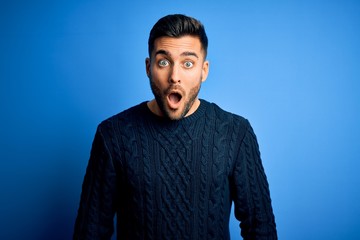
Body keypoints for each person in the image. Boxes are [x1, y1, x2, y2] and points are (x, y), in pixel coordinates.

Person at [73, 14, 277, 240]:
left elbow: (262, 230)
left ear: (204, 70)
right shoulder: (113, 135)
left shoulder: (235, 133)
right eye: (163, 62)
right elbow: (89, 232)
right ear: (149, 67)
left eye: (187, 63)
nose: (174, 77)